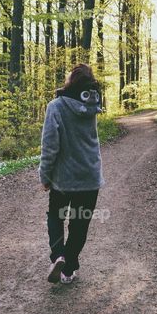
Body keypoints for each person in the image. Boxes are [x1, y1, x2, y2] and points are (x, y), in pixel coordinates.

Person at [39, 63, 104, 285]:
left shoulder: (56, 106)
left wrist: (44, 176)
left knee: (55, 217)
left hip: (63, 179)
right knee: (80, 223)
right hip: (89, 177)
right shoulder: (93, 104)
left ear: (70, 81)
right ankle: (68, 270)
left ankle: (58, 255)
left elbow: (49, 146)